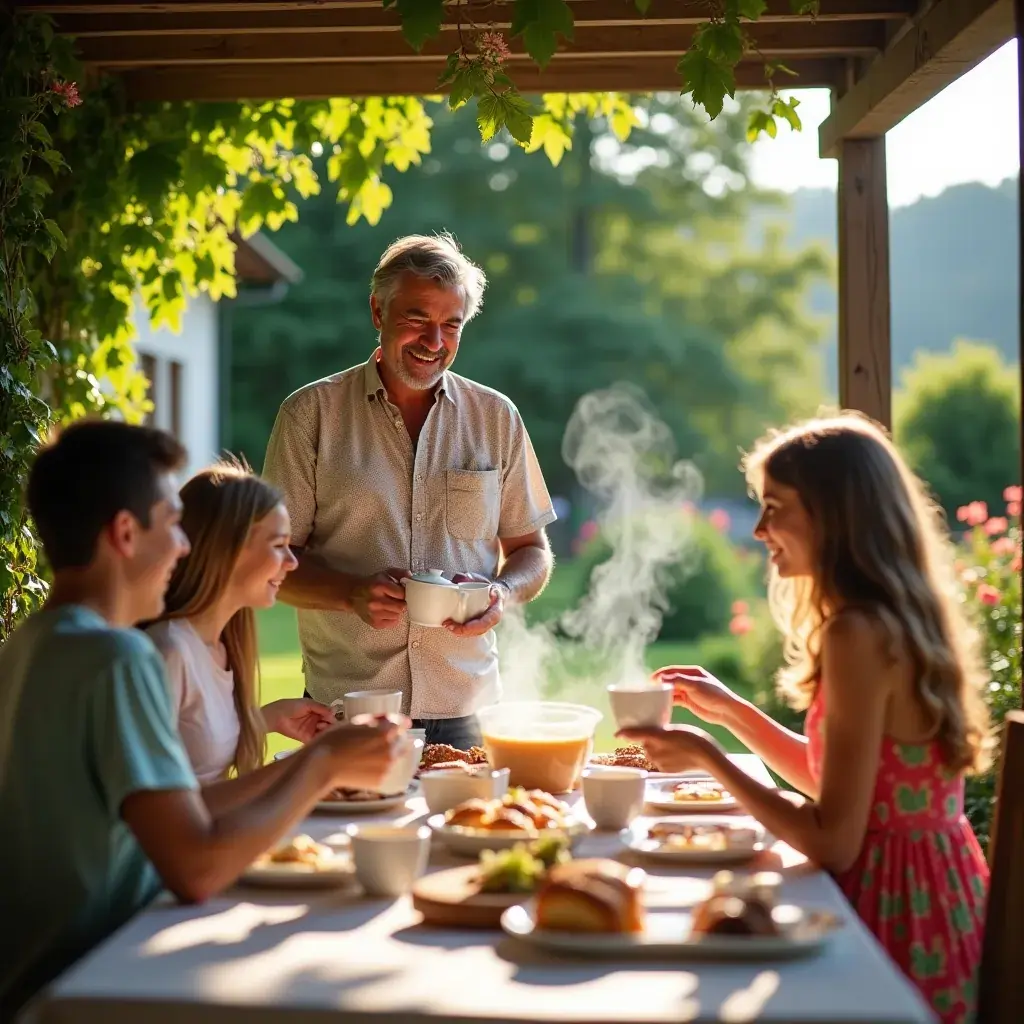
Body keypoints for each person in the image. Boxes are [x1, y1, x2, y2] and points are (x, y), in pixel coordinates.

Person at [0, 421, 406, 1019]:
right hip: (93, 979)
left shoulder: (30, 643)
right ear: (124, 534)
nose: (186, 546)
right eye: (172, 525)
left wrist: (315, 757)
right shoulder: (118, 659)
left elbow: (181, 812)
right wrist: (321, 765)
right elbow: (195, 868)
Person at [619, 413, 990, 1023]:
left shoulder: (856, 634)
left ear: (834, 513)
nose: (761, 530)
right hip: (938, 900)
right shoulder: (891, 619)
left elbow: (833, 842)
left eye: (775, 506)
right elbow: (842, 787)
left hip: (889, 919)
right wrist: (732, 714)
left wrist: (708, 759)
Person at [263, 232, 556, 748]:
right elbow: (272, 563)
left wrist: (502, 594)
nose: (434, 341)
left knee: (471, 829)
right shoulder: (310, 415)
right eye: (417, 319)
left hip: (471, 710)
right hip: (351, 708)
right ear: (378, 312)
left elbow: (532, 551)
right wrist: (349, 595)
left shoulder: (496, 418)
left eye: (451, 325)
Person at [146, 459, 335, 784]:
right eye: (279, 546)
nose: (292, 563)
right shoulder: (169, 652)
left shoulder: (221, 644)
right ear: (226, 551)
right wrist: (317, 768)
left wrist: (265, 720)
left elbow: (198, 749)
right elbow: (159, 809)